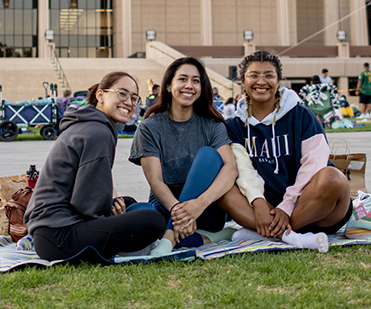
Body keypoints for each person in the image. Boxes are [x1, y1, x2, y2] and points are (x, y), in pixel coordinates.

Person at [25, 71, 166, 262]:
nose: (129, 103)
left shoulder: (90, 124)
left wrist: (110, 207)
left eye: (134, 98)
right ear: (100, 95)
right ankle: (127, 249)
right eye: (122, 94)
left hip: (48, 229)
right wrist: (107, 212)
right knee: (153, 221)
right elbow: (86, 203)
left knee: (129, 203)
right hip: (58, 235)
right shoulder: (98, 132)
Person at [219, 50, 344, 252]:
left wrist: (288, 205)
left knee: (332, 177)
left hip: (315, 209)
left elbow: (315, 163)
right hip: (264, 211)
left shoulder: (302, 115)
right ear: (242, 80)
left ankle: (269, 232)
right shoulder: (234, 126)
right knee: (221, 185)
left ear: (279, 80)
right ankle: (288, 235)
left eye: (269, 75)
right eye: (254, 75)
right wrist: (258, 201)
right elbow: (242, 169)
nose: (261, 81)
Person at [129, 57, 237, 256]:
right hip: (166, 203)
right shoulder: (149, 127)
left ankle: (168, 239)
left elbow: (231, 169)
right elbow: (155, 181)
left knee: (208, 155)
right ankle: (211, 238)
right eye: (183, 79)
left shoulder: (213, 125)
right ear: (169, 86)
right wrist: (180, 213)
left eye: (196, 81)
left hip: (205, 207)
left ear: (202, 88)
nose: (189, 85)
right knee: (136, 214)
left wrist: (199, 204)